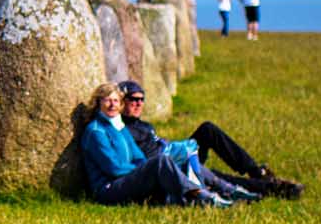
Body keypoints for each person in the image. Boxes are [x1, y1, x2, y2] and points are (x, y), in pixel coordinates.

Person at [117, 80, 303, 198]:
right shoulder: (120, 129)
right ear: (121, 101)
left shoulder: (143, 125)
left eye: (142, 99)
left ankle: (256, 171)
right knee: (216, 178)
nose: (139, 103)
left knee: (208, 130)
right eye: (133, 99)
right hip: (170, 169)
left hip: (177, 157)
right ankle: (273, 188)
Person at [79, 83, 231, 207]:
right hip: (108, 189)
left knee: (173, 164)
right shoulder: (96, 131)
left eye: (115, 101)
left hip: (126, 179)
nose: (112, 104)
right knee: (160, 162)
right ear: (98, 103)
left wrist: (145, 169)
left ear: (120, 104)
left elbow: (137, 155)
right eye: (107, 100)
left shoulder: (118, 125)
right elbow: (114, 168)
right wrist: (143, 170)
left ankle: (225, 191)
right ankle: (200, 195)